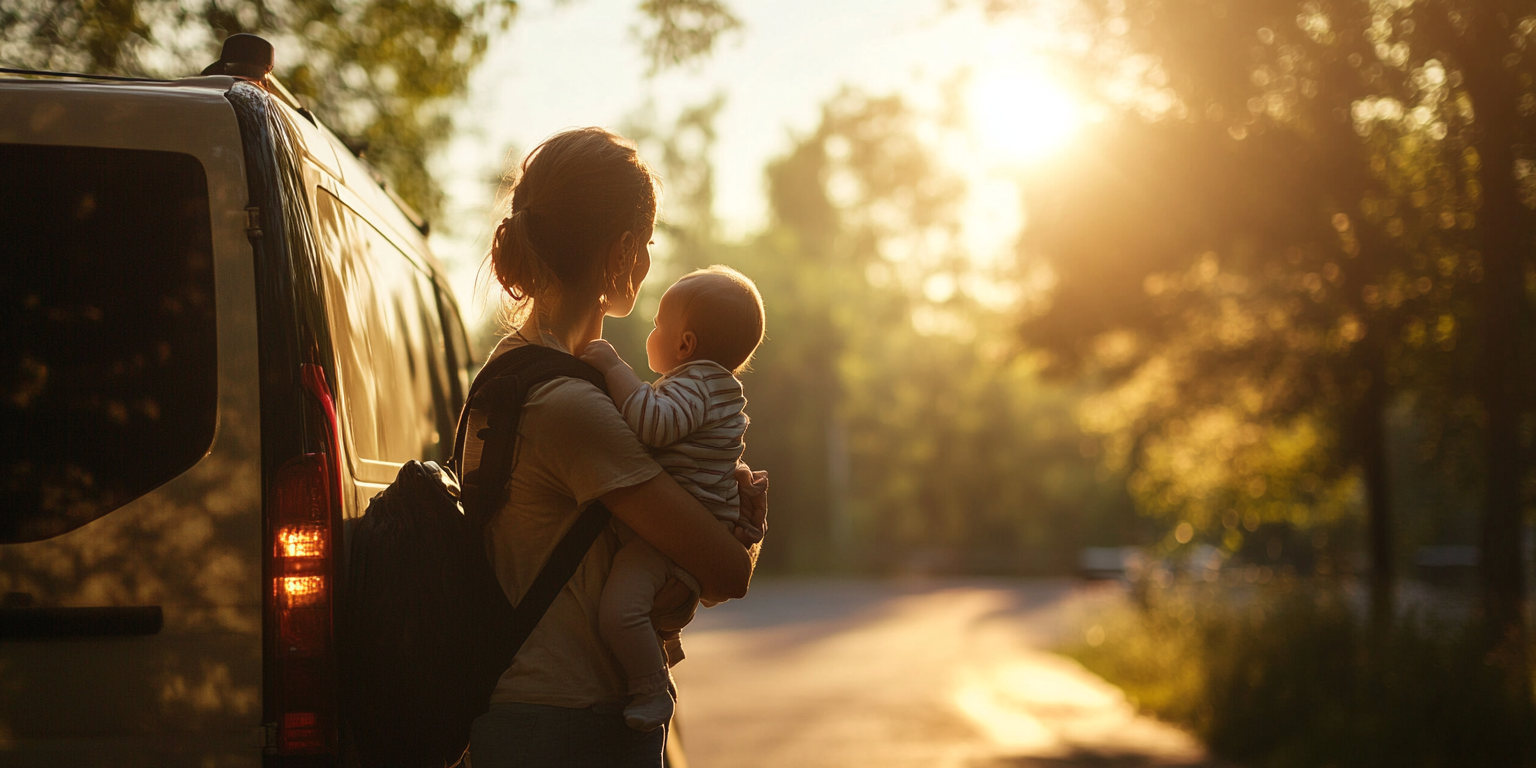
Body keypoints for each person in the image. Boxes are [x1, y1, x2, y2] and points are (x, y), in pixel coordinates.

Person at [466, 127, 767, 767]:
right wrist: (745, 526)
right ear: (624, 249)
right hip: (567, 723)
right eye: (648, 243)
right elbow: (726, 573)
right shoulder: (570, 406)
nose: (650, 260)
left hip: (535, 716)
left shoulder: (518, 367)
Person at [578, 265, 766, 732]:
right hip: (697, 524)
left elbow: (653, 424)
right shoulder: (714, 387)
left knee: (619, 611)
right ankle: (664, 641)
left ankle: (651, 688)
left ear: (685, 345)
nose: (651, 332)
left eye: (658, 324)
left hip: (676, 534)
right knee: (636, 602)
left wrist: (613, 368)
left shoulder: (695, 383)